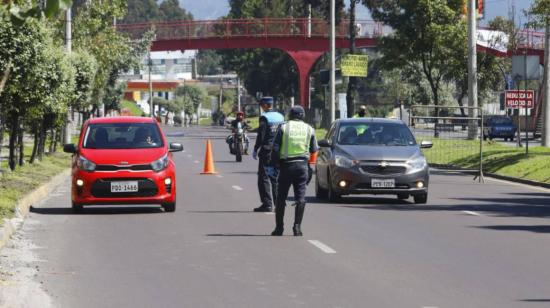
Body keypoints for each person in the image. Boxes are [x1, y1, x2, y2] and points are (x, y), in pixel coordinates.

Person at [270, 106, 318, 236]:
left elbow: (275, 148)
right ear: (302, 116)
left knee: (281, 198)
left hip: (286, 166)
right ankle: (297, 228)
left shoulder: (284, 127)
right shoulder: (309, 129)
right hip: (302, 167)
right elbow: (314, 149)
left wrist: (274, 164)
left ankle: (279, 228)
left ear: (290, 115)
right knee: (300, 198)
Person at [252, 97, 284, 212]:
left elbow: (262, 135)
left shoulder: (264, 117)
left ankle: (267, 204)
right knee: (275, 177)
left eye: (261, 105)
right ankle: (278, 203)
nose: (261, 107)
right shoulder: (280, 117)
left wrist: (256, 148)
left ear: (265, 105)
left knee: (263, 177)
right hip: (278, 150)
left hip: (266, 151)